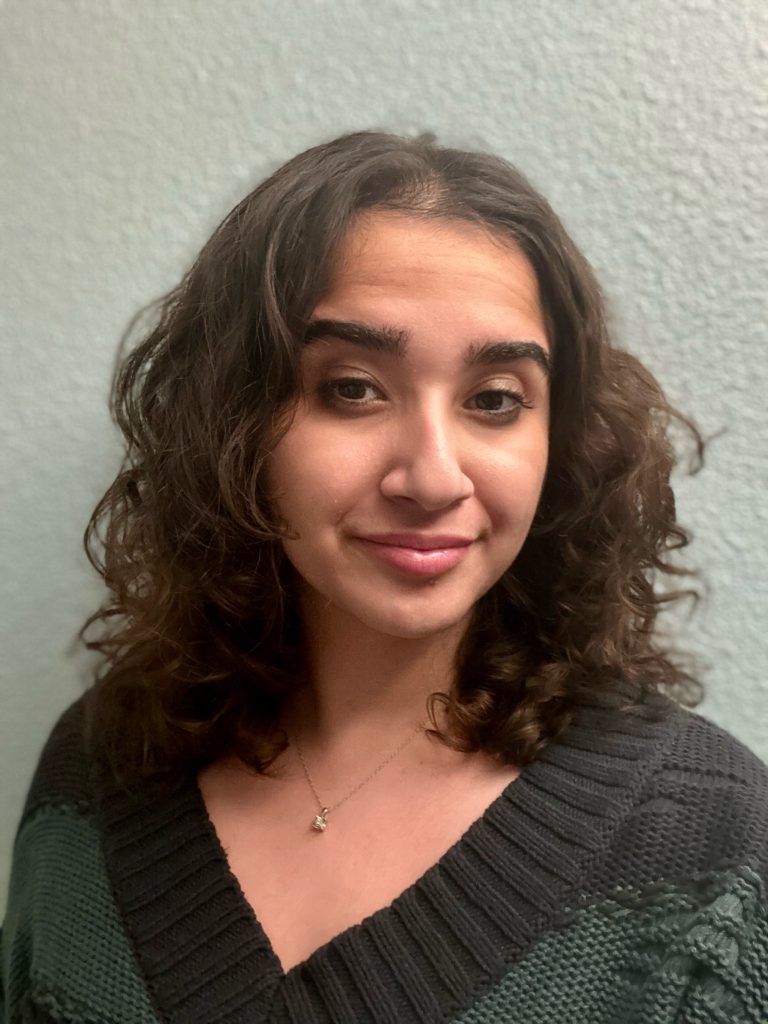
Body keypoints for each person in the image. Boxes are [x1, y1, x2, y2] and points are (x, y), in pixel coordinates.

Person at [2, 130, 766, 1024]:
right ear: (232, 426)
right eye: (354, 388)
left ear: (560, 445)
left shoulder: (711, 846)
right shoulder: (97, 769)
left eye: (495, 400)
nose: (434, 477)